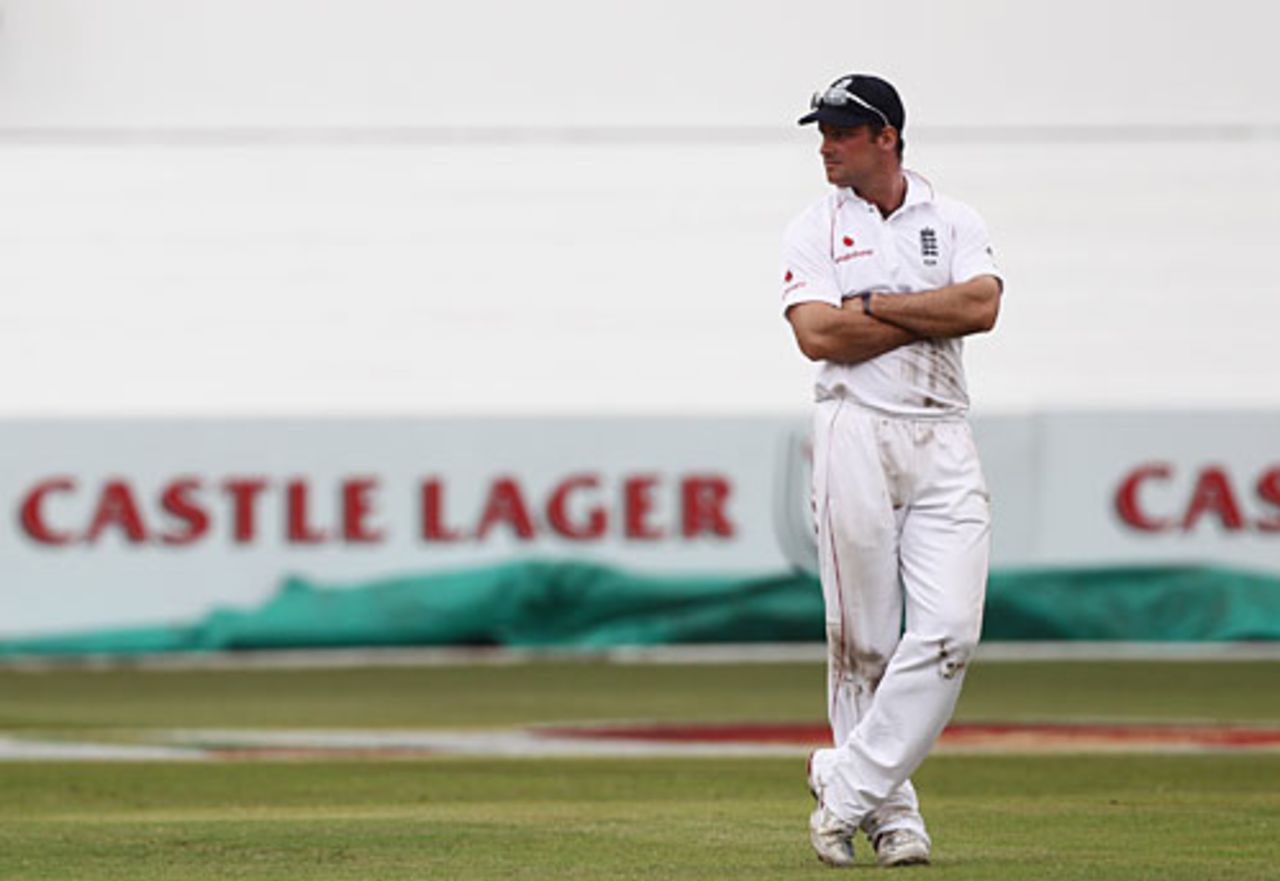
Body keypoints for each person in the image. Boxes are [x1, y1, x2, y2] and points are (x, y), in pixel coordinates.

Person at [780, 73, 1003, 868]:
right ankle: (893, 816)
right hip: (854, 429)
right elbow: (817, 336)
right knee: (862, 641)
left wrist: (871, 306)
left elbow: (979, 308)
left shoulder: (955, 218)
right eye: (823, 131)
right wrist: (920, 310)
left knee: (948, 631)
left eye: (841, 131)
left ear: (887, 136)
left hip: (943, 433)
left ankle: (844, 785)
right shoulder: (812, 229)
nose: (826, 145)